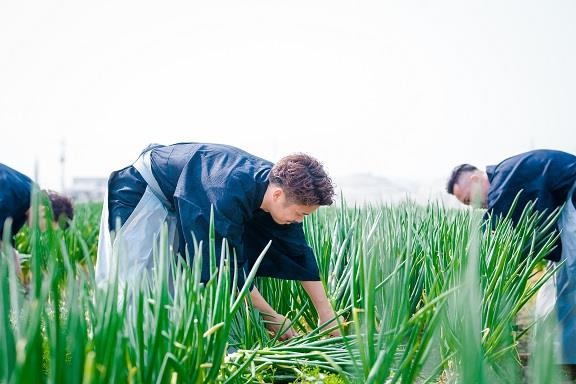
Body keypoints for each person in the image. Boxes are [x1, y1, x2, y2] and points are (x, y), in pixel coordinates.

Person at [96, 142, 342, 339]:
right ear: (277, 195)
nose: (300, 221)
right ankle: (121, 356)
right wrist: (269, 315)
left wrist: (325, 312)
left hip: (187, 195)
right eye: (300, 214)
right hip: (142, 189)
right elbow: (224, 266)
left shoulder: (281, 187)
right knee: (134, 285)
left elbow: (297, 250)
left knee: (172, 289)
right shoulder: (225, 192)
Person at [446, 149, 576, 373]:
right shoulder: (506, 177)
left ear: (476, 179)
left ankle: (567, 361)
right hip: (565, 211)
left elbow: (496, 223)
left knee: (569, 281)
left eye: (470, 200)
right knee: (552, 288)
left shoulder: (505, 177)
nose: (475, 207)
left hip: (573, 200)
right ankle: (552, 355)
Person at [0, 162, 75, 276]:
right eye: (48, 228)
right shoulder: (13, 197)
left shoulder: (26, 203)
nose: (42, 231)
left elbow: (4, 238)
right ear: (44, 210)